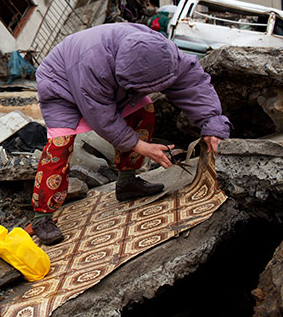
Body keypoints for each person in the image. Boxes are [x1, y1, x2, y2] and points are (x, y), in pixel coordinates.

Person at [32, 23, 231, 245]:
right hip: (60, 82)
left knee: (143, 112)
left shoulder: (164, 52)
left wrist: (212, 124)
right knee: (60, 145)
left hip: (111, 84)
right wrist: (139, 146)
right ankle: (42, 216)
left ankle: (126, 183)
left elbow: (192, 82)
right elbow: (101, 115)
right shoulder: (93, 65)